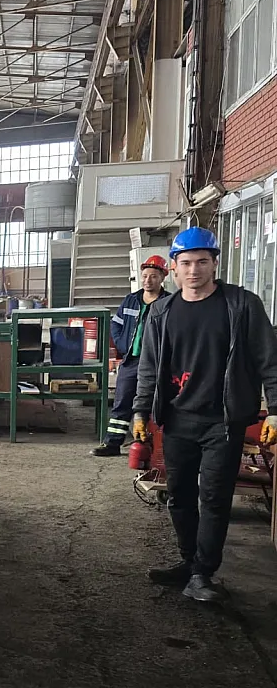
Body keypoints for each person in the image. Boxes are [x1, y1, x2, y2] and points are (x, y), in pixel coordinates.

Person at [133, 226, 277, 602]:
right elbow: (148, 368)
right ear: (174, 268)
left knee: (213, 499)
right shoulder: (162, 312)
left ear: (215, 264)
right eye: (186, 263)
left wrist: (276, 411)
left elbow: (269, 360)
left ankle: (202, 573)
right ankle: (188, 561)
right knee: (179, 496)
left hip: (222, 422)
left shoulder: (241, 306)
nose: (193, 270)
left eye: (202, 262)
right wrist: (140, 411)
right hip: (177, 420)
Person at [91, 255, 169, 456]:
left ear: (163, 277)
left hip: (156, 363)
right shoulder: (131, 300)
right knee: (122, 400)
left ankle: (153, 446)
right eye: (145, 276)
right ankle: (112, 444)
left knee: (155, 403)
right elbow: (116, 324)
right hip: (131, 360)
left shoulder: (169, 303)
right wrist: (122, 344)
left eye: (153, 276)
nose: (148, 280)